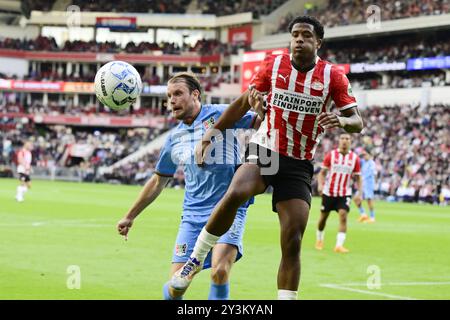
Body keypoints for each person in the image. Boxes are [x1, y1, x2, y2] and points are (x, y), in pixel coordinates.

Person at [171, 15, 364, 300]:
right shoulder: (274, 65)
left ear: (318, 42)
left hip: (298, 162)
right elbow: (241, 104)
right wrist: (210, 135)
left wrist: (341, 120)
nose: (299, 39)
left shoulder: (333, 76)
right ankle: (195, 261)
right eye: (295, 34)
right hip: (266, 149)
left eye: (306, 35)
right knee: (237, 191)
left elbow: (356, 121)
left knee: (293, 238)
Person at [116, 72, 260, 300]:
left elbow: (258, 118)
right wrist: (130, 215)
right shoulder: (174, 138)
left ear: (195, 95)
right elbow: (157, 181)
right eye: (168, 96)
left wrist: (262, 105)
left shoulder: (220, 113)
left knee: (220, 271)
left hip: (229, 209)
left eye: (177, 94)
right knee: (176, 287)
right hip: (193, 217)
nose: (171, 100)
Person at [315, 133, 362, 253]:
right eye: (342, 138)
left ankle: (339, 245)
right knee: (323, 219)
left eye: (347, 139)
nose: (344, 141)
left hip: (344, 193)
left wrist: (360, 193)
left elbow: (358, 178)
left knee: (343, 216)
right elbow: (322, 173)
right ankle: (319, 239)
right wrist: (320, 185)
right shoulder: (331, 155)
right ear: (339, 141)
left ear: (350, 141)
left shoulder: (354, 158)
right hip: (329, 192)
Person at [354, 149, 377, 223]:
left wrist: (362, 179)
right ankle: (363, 214)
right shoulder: (364, 162)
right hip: (363, 184)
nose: (364, 156)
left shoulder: (372, 163)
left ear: (369, 155)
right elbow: (356, 160)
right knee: (356, 198)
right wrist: (360, 154)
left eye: (365, 155)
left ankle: (372, 217)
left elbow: (370, 173)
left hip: (368, 184)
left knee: (369, 201)